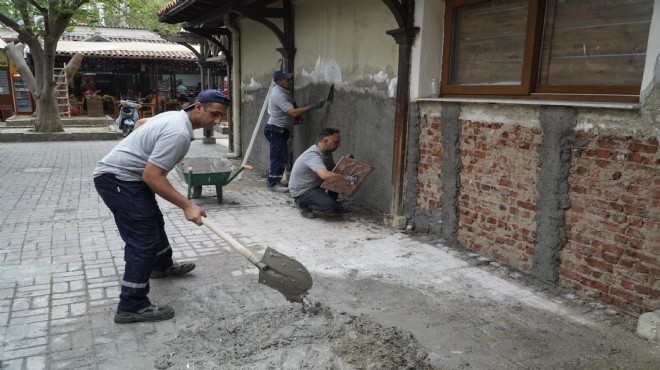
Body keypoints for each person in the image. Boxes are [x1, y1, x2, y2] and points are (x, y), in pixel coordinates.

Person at [93, 90, 230, 324]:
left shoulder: (175, 117)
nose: (217, 121)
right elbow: (153, 177)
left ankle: (161, 266)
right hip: (118, 180)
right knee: (142, 240)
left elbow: (142, 123)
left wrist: (139, 147)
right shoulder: (178, 132)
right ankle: (132, 305)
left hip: (128, 178)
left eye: (221, 117)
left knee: (154, 221)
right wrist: (188, 205)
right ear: (198, 107)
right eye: (215, 114)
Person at [264, 70, 326, 192]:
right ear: (278, 82)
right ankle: (272, 184)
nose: (291, 81)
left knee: (280, 156)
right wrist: (312, 106)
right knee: (278, 157)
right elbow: (292, 112)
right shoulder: (278, 95)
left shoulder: (284, 91)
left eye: (291, 79)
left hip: (280, 130)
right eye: (288, 80)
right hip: (276, 130)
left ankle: (274, 180)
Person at [289, 128, 358, 219]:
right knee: (328, 206)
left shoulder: (327, 152)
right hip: (303, 191)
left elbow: (332, 170)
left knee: (337, 175)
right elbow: (325, 175)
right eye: (336, 142)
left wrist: (344, 164)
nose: (339, 145)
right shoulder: (312, 155)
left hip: (315, 186)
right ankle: (303, 205)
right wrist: (348, 178)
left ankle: (334, 202)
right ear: (325, 141)